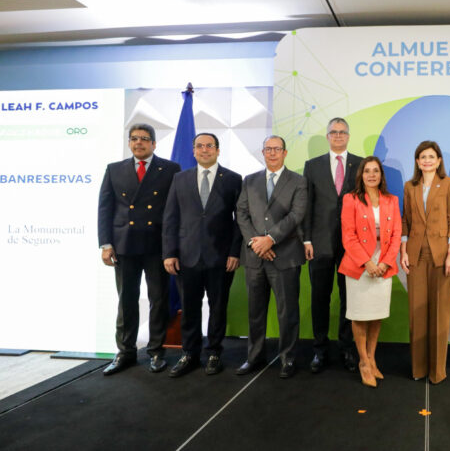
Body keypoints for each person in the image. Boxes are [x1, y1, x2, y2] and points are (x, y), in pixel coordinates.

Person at [98, 123, 180, 375]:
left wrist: (172, 248)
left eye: (144, 139)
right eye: (134, 139)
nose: (139, 143)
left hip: (157, 245)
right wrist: (105, 244)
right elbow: (105, 208)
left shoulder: (170, 169)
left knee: (158, 300)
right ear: (129, 143)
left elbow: (174, 211)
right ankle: (125, 352)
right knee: (126, 301)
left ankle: (156, 352)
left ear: (154, 144)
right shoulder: (114, 169)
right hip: (124, 245)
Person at [162, 132, 242, 377]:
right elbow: (170, 218)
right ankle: (190, 353)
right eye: (199, 146)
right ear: (193, 151)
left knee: (218, 308)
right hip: (187, 256)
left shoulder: (233, 179)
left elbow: (240, 220)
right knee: (189, 307)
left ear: (218, 150)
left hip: (221, 257)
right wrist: (169, 253)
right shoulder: (180, 179)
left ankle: (214, 352)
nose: (204, 150)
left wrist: (234, 252)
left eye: (209, 146)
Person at [235, 136, 307, 378]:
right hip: (255, 257)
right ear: (262, 152)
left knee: (287, 312)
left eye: (277, 149)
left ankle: (288, 358)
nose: (272, 153)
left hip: (285, 256)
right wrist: (256, 243)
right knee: (255, 311)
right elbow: (241, 213)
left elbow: (296, 215)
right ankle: (254, 357)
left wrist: (270, 239)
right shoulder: (250, 180)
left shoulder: (298, 181)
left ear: (285, 153)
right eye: (268, 149)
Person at [302, 117, 363, 373]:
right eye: (333, 132)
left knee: (349, 298)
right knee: (320, 297)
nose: (338, 136)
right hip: (320, 242)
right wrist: (306, 238)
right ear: (327, 136)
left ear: (348, 136)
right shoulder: (312, 166)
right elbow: (306, 205)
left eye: (342, 132)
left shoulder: (361, 164)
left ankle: (347, 349)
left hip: (352, 244)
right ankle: (319, 349)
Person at [400, 141, 450, 384]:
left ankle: (437, 372)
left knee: (440, 313)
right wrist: (403, 250)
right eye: (422, 156)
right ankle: (418, 369)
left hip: (441, 256)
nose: (427, 160)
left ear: (438, 161)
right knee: (417, 313)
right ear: (417, 161)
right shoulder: (409, 186)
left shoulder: (449, 184)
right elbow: (405, 220)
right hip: (416, 256)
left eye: (431, 156)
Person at [338, 157, 402, 387]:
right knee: (359, 315)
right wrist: (367, 262)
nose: (372, 175)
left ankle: (372, 359)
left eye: (376, 171)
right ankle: (363, 362)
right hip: (359, 264)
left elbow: (396, 234)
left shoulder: (391, 200)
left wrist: (385, 262)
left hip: (383, 263)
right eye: (367, 171)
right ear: (361, 175)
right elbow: (348, 235)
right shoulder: (350, 199)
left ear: (381, 175)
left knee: (376, 315)